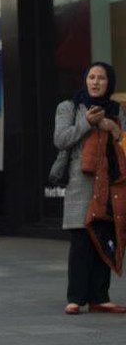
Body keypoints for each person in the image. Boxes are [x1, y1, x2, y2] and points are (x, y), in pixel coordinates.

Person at [55, 62, 126, 315]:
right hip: (80, 184)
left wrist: (114, 128)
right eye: (91, 77)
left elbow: (125, 144)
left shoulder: (117, 109)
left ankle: (100, 297)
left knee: (104, 239)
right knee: (81, 241)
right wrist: (86, 122)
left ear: (110, 83)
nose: (95, 82)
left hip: (109, 184)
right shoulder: (69, 107)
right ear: (85, 80)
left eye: (102, 78)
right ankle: (75, 298)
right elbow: (61, 139)